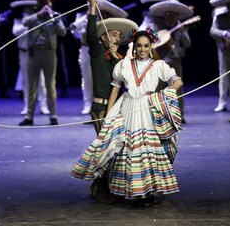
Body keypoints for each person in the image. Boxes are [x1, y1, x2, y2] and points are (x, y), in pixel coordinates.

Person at [71, 27, 183, 207]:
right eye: (139, 46)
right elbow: (115, 88)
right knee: (129, 150)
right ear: (134, 46)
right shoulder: (123, 64)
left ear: (151, 46)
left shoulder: (158, 65)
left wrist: (165, 95)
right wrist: (109, 115)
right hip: (129, 108)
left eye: (146, 46)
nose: (142, 49)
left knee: (148, 152)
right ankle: (135, 194)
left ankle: (148, 193)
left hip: (147, 108)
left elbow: (177, 81)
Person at [77, 0, 138, 204]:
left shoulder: (118, 59)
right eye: (112, 35)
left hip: (115, 108)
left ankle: (100, 187)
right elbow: (91, 34)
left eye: (119, 37)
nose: (116, 39)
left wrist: (117, 57)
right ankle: (100, 188)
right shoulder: (96, 52)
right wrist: (93, 8)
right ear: (104, 38)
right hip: (100, 108)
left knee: (113, 148)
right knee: (106, 147)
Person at [70, 0, 123, 115]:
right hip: (87, 49)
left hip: (103, 50)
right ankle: (88, 104)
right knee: (87, 77)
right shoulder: (82, 16)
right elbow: (75, 31)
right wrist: (88, 15)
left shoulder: (109, 15)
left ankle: (109, 104)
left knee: (104, 78)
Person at [18, 0, 67, 126]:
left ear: (50, 2)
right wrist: (38, 15)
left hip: (49, 53)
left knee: (50, 85)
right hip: (33, 53)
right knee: (31, 85)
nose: (44, 4)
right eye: (41, 1)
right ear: (37, 3)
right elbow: (24, 22)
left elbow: (62, 32)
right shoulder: (32, 16)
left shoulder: (55, 15)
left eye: (46, 1)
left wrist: (54, 18)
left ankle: (53, 115)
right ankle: (29, 116)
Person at [147, 0, 195, 124]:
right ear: (165, 16)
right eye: (169, 15)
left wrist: (182, 32)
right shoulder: (157, 27)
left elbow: (188, 44)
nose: (171, 17)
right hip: (159, 61)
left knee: (176, 89)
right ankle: (158, 116)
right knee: (158, 89)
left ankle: (178, 115)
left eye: (174, 15)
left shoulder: (180, 28)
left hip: (175, 61)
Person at [10, 0, 50, 115]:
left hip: (38, 51)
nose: (30, 9)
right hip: (24, 52)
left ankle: (43, 105)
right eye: (27, 8)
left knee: (41, 81)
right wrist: (27, 23)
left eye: (32, 7)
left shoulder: (39, 19)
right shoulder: (19, 21)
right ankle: (27, 106)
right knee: (27, 81)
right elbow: (15, 32)